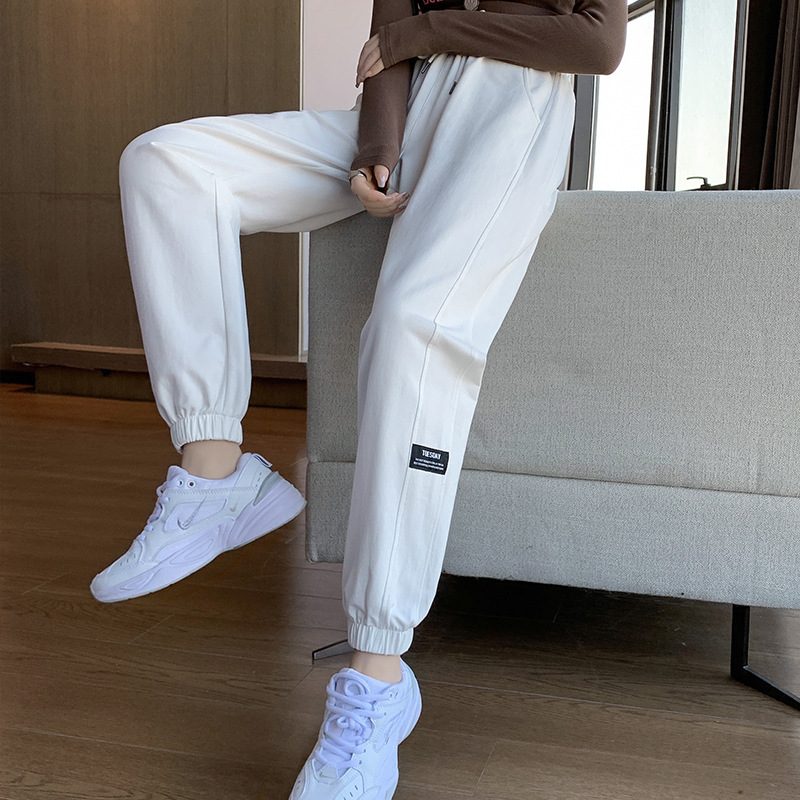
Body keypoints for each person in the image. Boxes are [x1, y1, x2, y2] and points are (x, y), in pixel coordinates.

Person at [90, 1, 626, 796]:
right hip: (413, 104)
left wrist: (429, 32)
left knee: (413, 328)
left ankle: (377, 682)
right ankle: (214, 470)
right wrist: (375, 149)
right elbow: (389, 38)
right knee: (167, 163)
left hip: (513, 108)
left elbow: (597, 40)